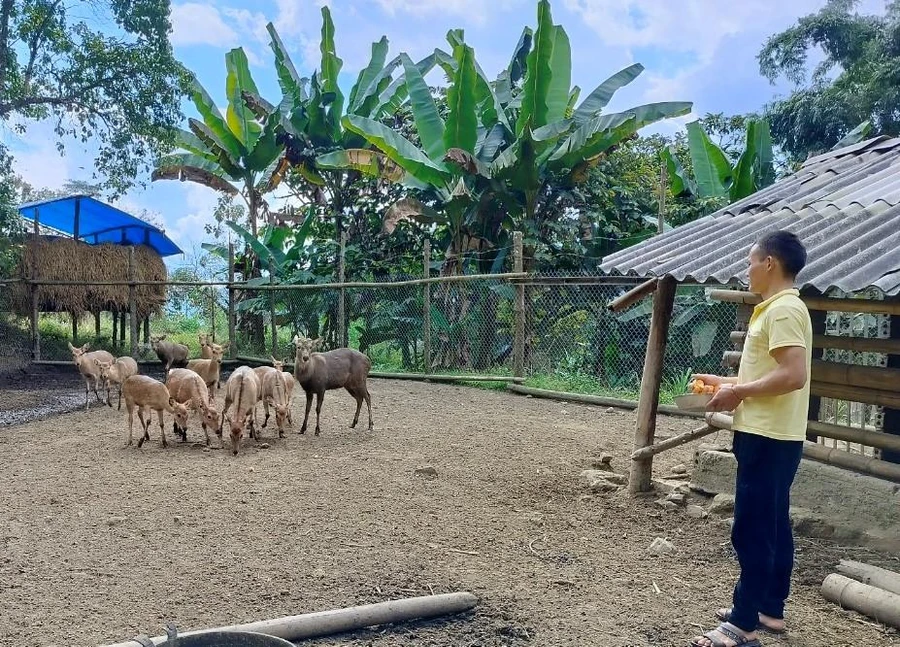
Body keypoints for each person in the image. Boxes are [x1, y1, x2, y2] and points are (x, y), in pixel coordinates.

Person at [689, 230, 812, 647]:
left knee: (753, 528)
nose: (747, 269)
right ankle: (769, 609)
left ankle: (741, 623)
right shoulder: (780, 308)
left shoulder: (782, 311)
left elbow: (793, 375)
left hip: (768, 436)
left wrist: (737, 392)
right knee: (773, 523)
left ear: (770, 264)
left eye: (750, 262)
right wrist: (723, 383)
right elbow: (769, 375)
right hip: (772, 434)